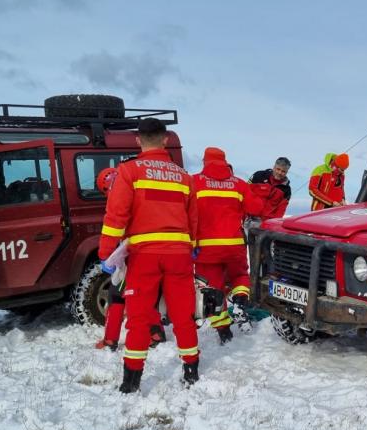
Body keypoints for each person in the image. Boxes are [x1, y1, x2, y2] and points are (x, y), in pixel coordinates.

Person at [98, 118, 199, 393]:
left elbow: (116, 216)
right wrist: (192, 247)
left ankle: (131, 382)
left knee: (140, 318)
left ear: (138, 140)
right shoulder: (184, 177)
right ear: (166, 139)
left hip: (144, 256)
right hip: (178, 254)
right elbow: (193, 220)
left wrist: (107, 253)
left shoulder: (129, 172)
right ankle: (191, 371)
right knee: (182, 314)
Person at [192, 147, 265, 344]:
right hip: (234, 245)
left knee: (211, 291)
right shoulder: (239, 184)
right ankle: (240, 300)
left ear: (205, 162)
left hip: (205, 249)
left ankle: (224, 330)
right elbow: (257, 208)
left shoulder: (194, 182)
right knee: (240, 276)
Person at [93, 167, 166, 352]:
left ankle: (113, 340)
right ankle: (156, 333)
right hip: (156, 252)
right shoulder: (143, 193)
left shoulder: (120, 198)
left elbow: (115, 227)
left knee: (117, 295)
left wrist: (106, 255)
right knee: (145, 296)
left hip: (135, 254)